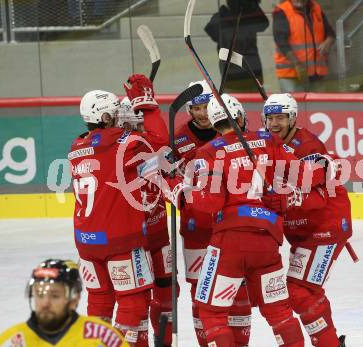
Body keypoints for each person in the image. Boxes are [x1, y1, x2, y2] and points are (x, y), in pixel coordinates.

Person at [185, 93, 328, 347]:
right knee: (280, 314)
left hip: (229, 242)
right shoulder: (267, 140)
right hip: (266, 242)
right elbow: (301, 175)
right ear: (240, 117)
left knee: (211, 313)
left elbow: (211, 203)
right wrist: (325, 166)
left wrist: (179, 189)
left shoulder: (208, 152)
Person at [69, 74, 168, 347]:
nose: (119, 117)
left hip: (87, 241)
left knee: (99, 300)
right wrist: (146, 104)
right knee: (134, 302)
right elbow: (161, 146)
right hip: (119, 240)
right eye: (114, 113)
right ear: (104, 118)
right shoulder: (124, 144)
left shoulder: (76, 147)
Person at [263, 93, 352, 347]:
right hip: (304, 230)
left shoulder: (308, 147)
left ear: (292, 119)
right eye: (270, 118)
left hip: (326, 225)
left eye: (280, 117)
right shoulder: (269, 142)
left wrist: (278, 201)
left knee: (301, 292)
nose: (274, 124)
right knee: (301, 292)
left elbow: (314, 198)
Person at [173, 81, 252, 346]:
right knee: (200, 290)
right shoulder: (179, 137)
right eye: (197, 108)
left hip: (230, 223)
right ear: (189, 110)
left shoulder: (234, 132)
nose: (203, 113)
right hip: (196, 225)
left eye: (207, 107)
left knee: (237, 287)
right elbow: (173, 175)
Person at [116, 96, 173, 347]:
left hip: (159, 235)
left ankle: (165, 343)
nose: (138, 133)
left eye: (141, 127)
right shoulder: (117, 151)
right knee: (136, 301)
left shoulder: (148, 145)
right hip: (132, 241)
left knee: (168, 294)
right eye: (131, 127)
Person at [0, 258, 129, 347]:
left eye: (55, 296)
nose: (45, 303)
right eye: (40, 294)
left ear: (74, 299)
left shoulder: (104, 337)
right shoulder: (11, 341)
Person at [204, 0, 269, 92]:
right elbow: (263, 24)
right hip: (239, 71)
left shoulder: (221, 17)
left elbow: (264, 24)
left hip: (240, 71)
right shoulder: (249, 18)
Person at [273, 0, 335, 92]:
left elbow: (331, 33)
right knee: (294, 105)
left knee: (317, 105)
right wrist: (298, 65)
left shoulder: (316, 8)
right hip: (291, 74)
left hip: (316, 74)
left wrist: (328, 42)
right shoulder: (282, 11)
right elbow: (281, 41)